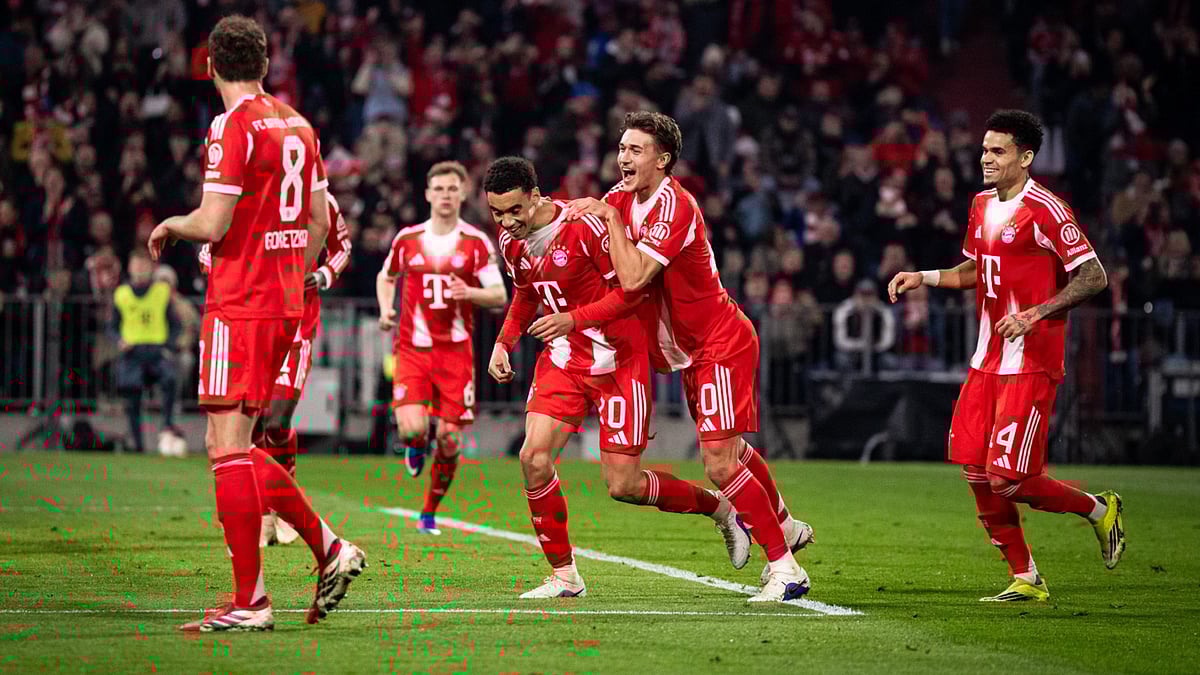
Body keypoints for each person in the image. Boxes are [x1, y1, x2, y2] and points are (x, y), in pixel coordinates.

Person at [147, 15, 365, 632]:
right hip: (285, 303)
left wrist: (171, 224)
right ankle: (329, 549)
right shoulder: (300, 124)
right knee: (239, 444)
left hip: (239, 301)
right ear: (266, 66)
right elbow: (321, 225)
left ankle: (252, 602)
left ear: (208, 66)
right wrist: (287, 272)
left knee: (223, 446)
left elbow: (213, 224)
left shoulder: (230, 126)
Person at [566, 111, 811, 601]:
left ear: (663, 160)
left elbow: (635, 279)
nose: (623, 158)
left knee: (719, 464)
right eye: (621, 148)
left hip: (718, 341)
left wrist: (609, 218)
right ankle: (782, 525)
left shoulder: (674, 206)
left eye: (636, 150)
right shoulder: (619, 199)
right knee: (734, 452)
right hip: (690, 354)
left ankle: (786, 570)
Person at [484, 156, 750, 600]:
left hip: (619, 357)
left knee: (623, 485)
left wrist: (573, 319)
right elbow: (526, 294)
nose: (508, 222)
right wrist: (503, 342)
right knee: (533, 458)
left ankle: (721, 509)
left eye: (515, 210)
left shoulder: (584, 227)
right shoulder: (511, 243)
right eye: (497, 213)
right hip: (565, 360)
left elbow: (632, 295)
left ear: (535, 196)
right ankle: (565, 577)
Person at [888, 109, 1125, 602]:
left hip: (1031, 361)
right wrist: (926, 278)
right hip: (986, 360)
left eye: (998, 151)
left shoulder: (1047, 209)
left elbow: (1093, 275)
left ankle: (1099, 510)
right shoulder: (979, 205)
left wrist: (1036, 313)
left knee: (1010, 481)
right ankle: (1025, 575)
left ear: (1026, 156)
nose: (986, 159)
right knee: (976, 472)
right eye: (984, 150)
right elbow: (978, 268)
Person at [198, 191, 351, 546]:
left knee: (276, 418)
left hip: (297, 323)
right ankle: (260, 510)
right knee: (243, 423)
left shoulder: (319, 199)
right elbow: (208, 250)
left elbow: (342, 247)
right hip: (249, 321)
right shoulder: (240, 193)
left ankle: (284, 494)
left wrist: (324, 274)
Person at [376, 161, 508, 535]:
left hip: (455, 352)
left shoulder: (475, 243)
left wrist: (471, 293)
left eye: (453, 189)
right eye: (439, 189)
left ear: (463, 193)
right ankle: (416, 445)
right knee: (410, 429)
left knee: (450, 440)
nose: (446, 195)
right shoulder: (408, 239)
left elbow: (498, 294)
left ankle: (429, 511)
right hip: (414, 350)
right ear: (428, 194)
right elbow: (385, 277)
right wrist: (387, 309)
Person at [110, 250, 180, 454]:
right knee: (132, 395)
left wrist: (168, 345)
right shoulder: (121, 294)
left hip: (156, 352)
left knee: (170, 378)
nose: (140, 268)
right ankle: (137, 443)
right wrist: (119, 340)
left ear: (151, 268)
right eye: (136, 264)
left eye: (143, 264)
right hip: (132, 353)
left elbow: (175, 325)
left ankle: (167, 427)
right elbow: (111, 327)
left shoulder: (161, 292)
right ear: (130, 267)